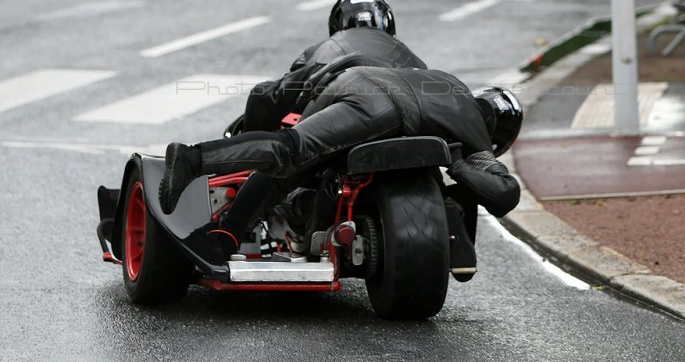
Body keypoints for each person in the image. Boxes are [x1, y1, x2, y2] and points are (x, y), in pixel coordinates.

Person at [158, 66, 523, 274]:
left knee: (297, 158)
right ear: (498, 129)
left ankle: (224, 237)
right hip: (381, 107)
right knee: (294, 152)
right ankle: (191, 159)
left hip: (355, 80)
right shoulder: (473, 130)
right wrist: (457, 163)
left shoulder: (449, 83)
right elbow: (504, 195)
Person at [242, 0, 427, 133]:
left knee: (289, 159)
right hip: (404, 126)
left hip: (338, 135)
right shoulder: (413, 59)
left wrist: (249, 144)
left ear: (336, 25)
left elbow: (270, 97)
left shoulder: (324, 50)